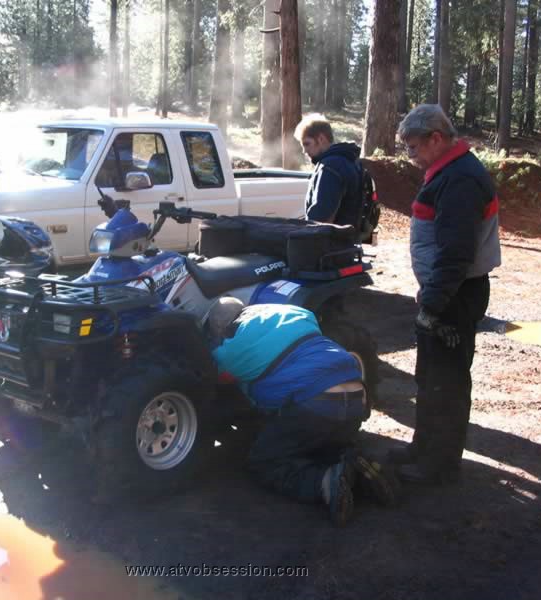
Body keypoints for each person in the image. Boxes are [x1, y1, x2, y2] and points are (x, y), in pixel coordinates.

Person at [208, 297, 399, 527]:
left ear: (222, 329)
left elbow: (212, 379)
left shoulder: (232, 351)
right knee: (321, 446)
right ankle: (358, 465)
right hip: (357, 393)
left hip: (316, 404)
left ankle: (324, 483)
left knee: (265, 461)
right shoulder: (293, 313)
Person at [390, 104, 502, 485]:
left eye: (414, 146)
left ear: (436, 138)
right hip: (447, 290)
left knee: (447, 381)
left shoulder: (461, 179)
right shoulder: (449, 171)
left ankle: (438, 465)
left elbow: (457, 252)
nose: (411, 155)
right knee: (429, 375)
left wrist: (434, 304)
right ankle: (423, 447)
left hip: (456, 293)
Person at [294, 114, 364, 230]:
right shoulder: (348, 160)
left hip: (330, 243)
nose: (304, 151)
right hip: (347, 240)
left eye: (307, 144)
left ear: (321, 139)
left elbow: (321, 217)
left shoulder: (330, 166)